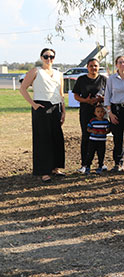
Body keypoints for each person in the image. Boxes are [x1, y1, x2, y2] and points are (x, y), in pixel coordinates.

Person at [19, 48, 66, 182]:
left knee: (56, 138)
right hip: (41, 107)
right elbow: (23, 89)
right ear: (41, 57)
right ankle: (44, 171)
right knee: (43, 139)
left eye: (51, 57)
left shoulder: (59, 74)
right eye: (46, 56)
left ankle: (55, 168)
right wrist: (34, 105)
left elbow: (61, 94)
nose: (49, 59)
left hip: (56, 107)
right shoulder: (36, 71)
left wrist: (63, 111)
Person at [73, 58, 107, 173]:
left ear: (99, 67)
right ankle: (85, 164)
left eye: (96, 66)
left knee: (100, 137)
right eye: (91, 66)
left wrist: (103, 99)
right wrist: (86, 100)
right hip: (86, 111)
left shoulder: (103, 79)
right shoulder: (82, 79)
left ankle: (101, 163)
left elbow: (109, 94)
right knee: (86, 136)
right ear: (87, 67)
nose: (93, 68)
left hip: (100, 113)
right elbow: (76, 95)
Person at [85, 104, 111, 174]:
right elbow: (88, 129)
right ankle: (87, 167)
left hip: (102, 141)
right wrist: (93, 131)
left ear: (104, 113)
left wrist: (105, 132)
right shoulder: (93, 121)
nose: (100, 113)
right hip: (93, 140)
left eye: (102, 112)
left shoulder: (106, 121)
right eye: (98, 112)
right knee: (90, 154)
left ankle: (100, 166)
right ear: (95, 113)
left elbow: (108, 130)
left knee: (101, 154)